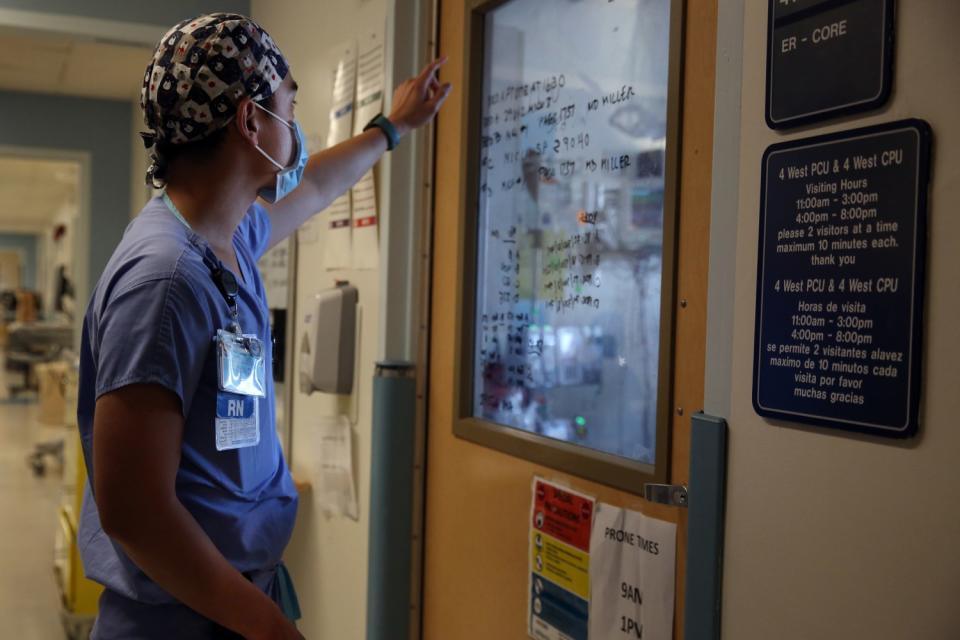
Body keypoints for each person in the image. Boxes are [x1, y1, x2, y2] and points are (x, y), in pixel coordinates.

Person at [76, 13, 450, 639]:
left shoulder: (227, 239)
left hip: (224, 602)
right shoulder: (164, 280)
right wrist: (270, 628)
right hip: (179, 619)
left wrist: (392, 127)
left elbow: (318, 186)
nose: (296, 126)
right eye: (289, 105)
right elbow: (135, 513)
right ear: (251, 122)